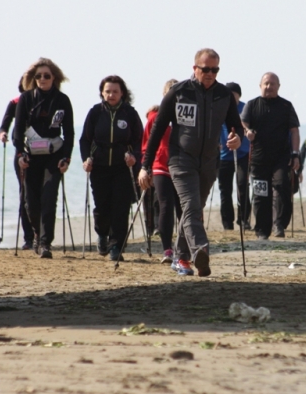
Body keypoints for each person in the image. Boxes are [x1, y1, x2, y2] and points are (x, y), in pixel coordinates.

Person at [139, 48, 242, 277]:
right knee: (191, 205)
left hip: (208, 161)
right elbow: (156, 132)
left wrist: (237, 139)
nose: (210, 74)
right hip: (180, 159)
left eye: (215, 70)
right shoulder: (179, 92)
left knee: (192, 209)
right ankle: (200, 251)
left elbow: (235, 126)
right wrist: (145, 166)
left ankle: (180, 257)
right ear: (195, 68)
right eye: (206, 69)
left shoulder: (223, 95)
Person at [13, 58, 75, 259]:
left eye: (46, 75)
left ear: (54, 78)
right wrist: (20, 154)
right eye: (38, 76)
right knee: (31, 203)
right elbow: (18, 130)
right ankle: (37, 233)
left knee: (49, 198)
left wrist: (66, 157)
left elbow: (70, 132)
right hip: (30, 157)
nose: (42, 79)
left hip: (53, 157)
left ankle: (46, 242)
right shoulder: (26, 99)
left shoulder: (62, 100)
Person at [80, 75, 143, 261]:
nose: (111, 94)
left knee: (120, 207)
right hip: (99, 166)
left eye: (115, 91)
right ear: (102, 92)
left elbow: (139, 141)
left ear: (122, 93)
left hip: (122, 168)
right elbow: (85, 140)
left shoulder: (130, 113)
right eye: (107, 91)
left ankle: (116, 246)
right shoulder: (95, 113)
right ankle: (102, 234)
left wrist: (134, 157)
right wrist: (86, 159)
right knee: (102, 206)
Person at [241, 72, 301, 240]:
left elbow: (294, 131)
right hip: (259, 158)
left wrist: (295, 154)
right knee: (261, 195)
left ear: (278, 87)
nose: (269, 87)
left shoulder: (286, 106)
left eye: (272, 84)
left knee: (282, 186)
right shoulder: (252, 105)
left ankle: (279, 224)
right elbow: (243, 122)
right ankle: (262, 230)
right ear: (260, 86)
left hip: (281, 157)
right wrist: (248, 131)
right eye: (266, 83)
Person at [142, 79, 182, 264]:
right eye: (170, 92)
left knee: (184, 208)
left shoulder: (186, 115)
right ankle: (167, 249)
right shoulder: (155, 118)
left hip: (182, 166)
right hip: (161, 166)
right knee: (166, 205)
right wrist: (145, 167)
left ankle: (184, 247)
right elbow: (146, 145)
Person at [0, 82, 34, 250]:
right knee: (25, 194)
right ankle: (28, 237)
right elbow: (4, 123)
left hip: (43, 153)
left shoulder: (47, 101)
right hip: (22, 154)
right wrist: (3, 133)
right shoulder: (15, 102)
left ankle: (41, 234)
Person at [217, 82, 251, 231]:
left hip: (243, 153)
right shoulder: (220, 107)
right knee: (225, 190)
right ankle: (227, 222)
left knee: (243, 186)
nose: (231, 97)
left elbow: (251, 126)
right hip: (224, 155)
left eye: (234, 94)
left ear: (239, 95)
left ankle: (244, 220)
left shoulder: (245, 108)